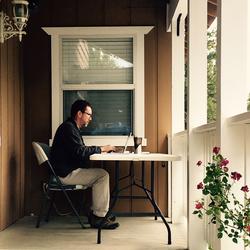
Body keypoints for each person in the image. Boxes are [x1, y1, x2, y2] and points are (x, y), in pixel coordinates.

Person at [50, 99, 119, 229]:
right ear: (79, 114)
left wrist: (99, 151)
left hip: (68, 170)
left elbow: (79, 151)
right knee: (102, 175)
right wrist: (102, 149)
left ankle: (96, 214)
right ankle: (98, 217)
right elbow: (80, 151)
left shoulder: (71, 128)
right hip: (65, 174)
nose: (90, 118)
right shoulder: (68, 128)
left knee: (100, 174)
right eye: (89, 114)